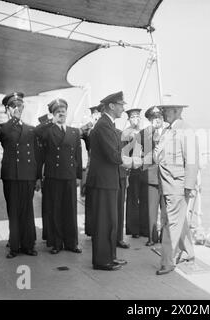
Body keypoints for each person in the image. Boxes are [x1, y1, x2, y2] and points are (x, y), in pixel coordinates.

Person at [153, 104, 199, 275]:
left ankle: (167, 262)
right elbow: (159, 156)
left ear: (177, 111)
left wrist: (188, 187)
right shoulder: (167, 131)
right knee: (179, 220)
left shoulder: (186, 131)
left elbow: (192, 161)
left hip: (177, 186)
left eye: (166, 110)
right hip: (165, 185)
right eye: (163, 110)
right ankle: (188, 252)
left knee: (170, 223)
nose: (162, 113)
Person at [0, 92, 42, 258]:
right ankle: (14, 246)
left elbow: (36, 154)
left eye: (20, 106)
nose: (18, 109)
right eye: (14, 106)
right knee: (14, 210)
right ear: (7, 109)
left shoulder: (31, 128)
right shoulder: (2, 127)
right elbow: (4, 134)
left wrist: (37, 177)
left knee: (27, 211)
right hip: (11, 175)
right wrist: (13, 117)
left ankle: (28, 245)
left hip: (28, 175)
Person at [85, 91, 128, 271]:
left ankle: (110, 256)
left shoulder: (107, 124)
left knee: (111, 221)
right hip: (103, 182)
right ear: (111, 106)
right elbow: (113, 155)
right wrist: (132, 161)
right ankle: (102, 261)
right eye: (120, 105)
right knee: (104, 223)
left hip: (108, 181)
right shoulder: (103, 126)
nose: (123, 108)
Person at [34, 98, 82, 254]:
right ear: (53, 114)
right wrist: (51, 121)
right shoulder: (47, 131)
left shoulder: (74, 132)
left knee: (70, 210)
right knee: (55, 210)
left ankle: (72, 243)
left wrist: (79, 176)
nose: (61, 113)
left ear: (67, 112)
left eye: (63, 111)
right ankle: (56, 243)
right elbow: (36, 132)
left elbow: (78, 156)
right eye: (57, 112)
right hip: (53, 176)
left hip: (69, 176)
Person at [138, 106, 166, 246]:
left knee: (166, 209)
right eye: (154, 118)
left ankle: (165, 237)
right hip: (151, 176)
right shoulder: (143, 134)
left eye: (159, 117)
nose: (157, 120)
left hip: (168, 177)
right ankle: (151, 237)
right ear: (149, 120)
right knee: (151, 209)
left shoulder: (170, 132)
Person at [123, 108, 148, 239]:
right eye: (133, 117)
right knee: (133, 198)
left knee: (145, 198)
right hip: (132, 169)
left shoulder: (145, 132)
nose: (136, 119)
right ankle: (134, 229)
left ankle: (145, 228)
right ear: (129, 119)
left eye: (138, 117)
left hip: (144, 168)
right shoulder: (126, 133)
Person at [80, 104, 101, 237]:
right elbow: (76, 133)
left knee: (99, 200)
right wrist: (89, 124)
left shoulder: (104, 129)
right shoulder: (87, 131)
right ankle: (91, 228)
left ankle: (99, 227)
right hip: (90, 166)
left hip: (101, 167)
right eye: (95, 115)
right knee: (90, 199)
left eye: (99, 115)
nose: (97, 117)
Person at [116, 128, 131, 249]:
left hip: (120, 175)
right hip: (106, 177)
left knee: (120, 208)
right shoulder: (98, 132)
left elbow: (126, 155)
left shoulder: (121, 134)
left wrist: (126, 176)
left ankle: (118, 237)